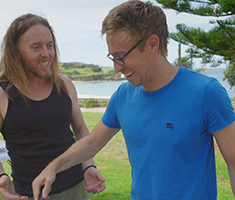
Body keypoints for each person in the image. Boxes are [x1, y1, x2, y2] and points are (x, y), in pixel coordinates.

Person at [32, 1, 235, 200]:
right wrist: (54, 167)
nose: (116, 68)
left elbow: (233, 164)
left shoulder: (206, 93)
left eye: (121, 56)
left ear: (152, 44)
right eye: (112, 58)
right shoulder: (123, 95)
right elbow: (93, 142)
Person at [0, 13, 106, 200]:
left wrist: (88, 166)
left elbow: (80, 130)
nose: (46, 53)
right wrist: (1, 176)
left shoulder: (65, 84)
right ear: (17, 52)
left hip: (76, 188)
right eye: (36, 47)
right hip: (30, 194)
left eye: (50, 45)